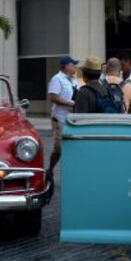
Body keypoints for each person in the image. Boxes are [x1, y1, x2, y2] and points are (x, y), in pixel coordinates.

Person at [45, 55, 79, 187]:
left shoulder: (74, 79)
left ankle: (69, 173)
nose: (75, 67)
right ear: (66, 66)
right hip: (59, 118)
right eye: (73, 64)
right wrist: (71, 103)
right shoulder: (57, 79)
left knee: (71, 147)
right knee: (59, 148)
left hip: (71, 118)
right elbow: (53, 97)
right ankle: (50, 169)